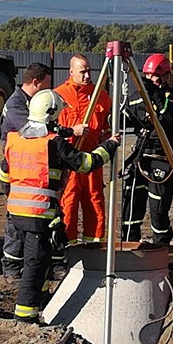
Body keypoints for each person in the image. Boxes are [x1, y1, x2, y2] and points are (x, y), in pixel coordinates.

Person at [0, 89, 120, 323]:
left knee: (41, 262)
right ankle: (24, 317)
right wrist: (110, 146)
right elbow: (86, 163)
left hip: (16, 213)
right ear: (52, 115)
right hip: (39, 215)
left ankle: (43, 302)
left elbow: (4, 176)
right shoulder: (53, 144)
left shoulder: (15, 139)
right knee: (34, 267)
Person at [0, 63, 86, 280]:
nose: (50, 90)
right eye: (47, 84)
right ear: (36, 82)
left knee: (47, 218)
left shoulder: (29, 102)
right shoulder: (17, 105)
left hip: (35, 166)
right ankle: (12, 268)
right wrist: (69, 132)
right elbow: (35, 131)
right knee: (17, 221)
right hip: (21, 167)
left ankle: (51, 264)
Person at [120, 54, 173, 246]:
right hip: (140, 156)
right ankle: (129, 244)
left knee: (158, 206)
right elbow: (121, 120)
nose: (153, 81)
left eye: (157, 78)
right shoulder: (135, 99)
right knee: (131, 201)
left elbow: (172, 120)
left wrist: (156, 99)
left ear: (167, 76)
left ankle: (162, 246)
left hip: (162, 156)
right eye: (149, 77)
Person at [54, 54, 111, 246]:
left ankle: (94, 245)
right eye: (82, 72)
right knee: (68, 203)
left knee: (94, 201)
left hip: (92, 159)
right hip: (69, 160)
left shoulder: (100, 95)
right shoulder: (59, 95)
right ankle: (66, 247)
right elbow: (53, 131)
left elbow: (108, 123)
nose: (87, 75)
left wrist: (106, 135)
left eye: (88, 71)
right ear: (71, 72)